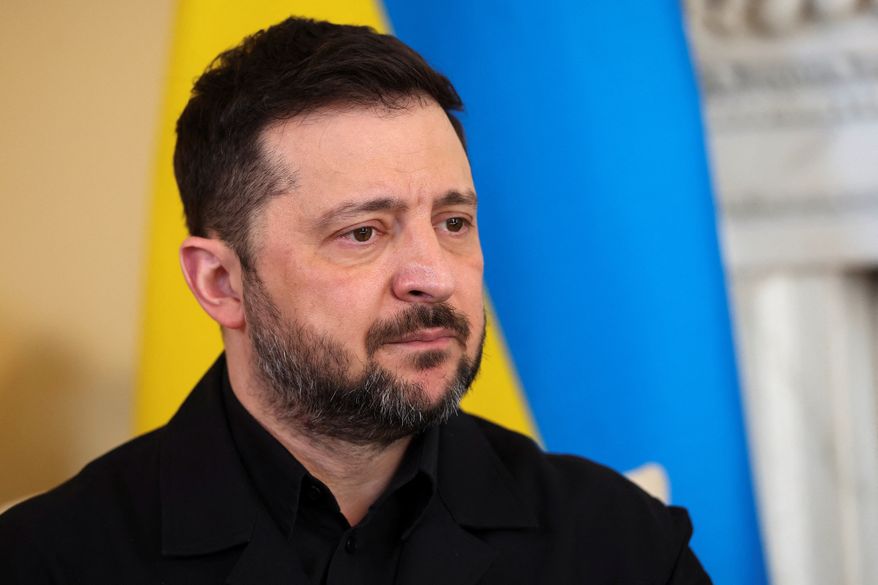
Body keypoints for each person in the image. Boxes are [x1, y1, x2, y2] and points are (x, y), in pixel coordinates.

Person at [0, 17, 711, 584]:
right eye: (363, 232)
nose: (432, 275)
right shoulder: (49, 560)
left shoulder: (621, 544)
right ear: (220, 282)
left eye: (453, 221)